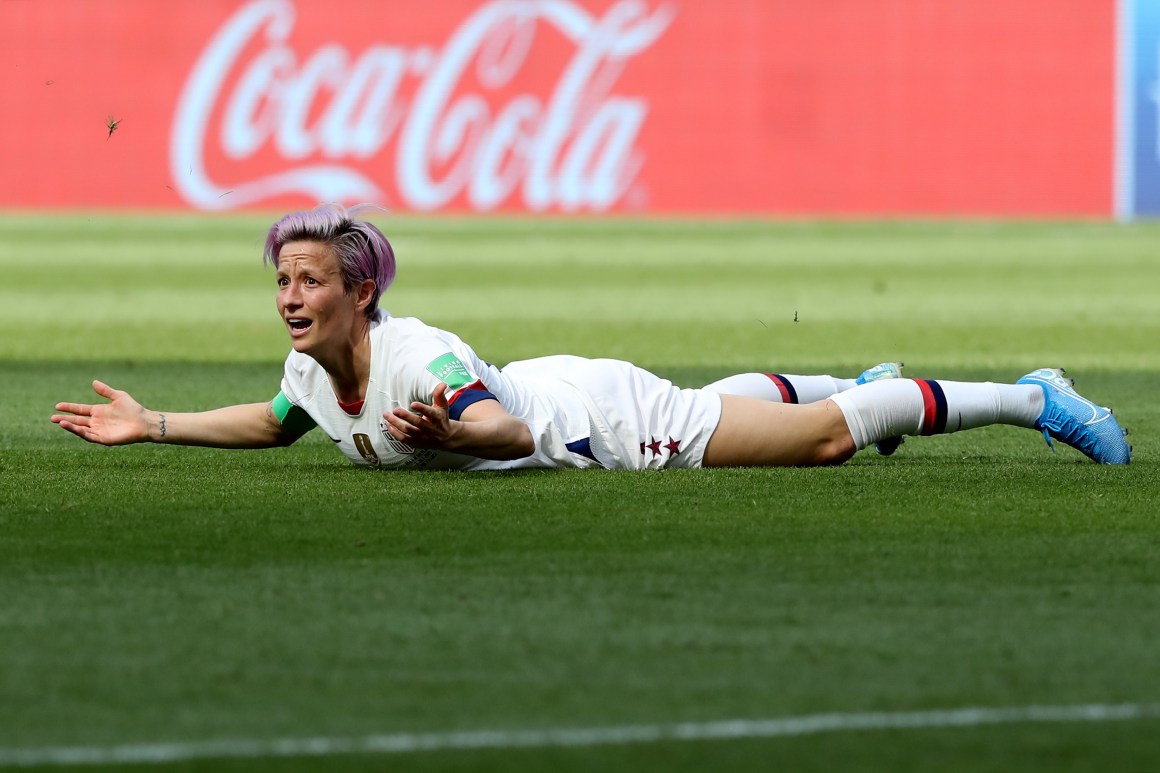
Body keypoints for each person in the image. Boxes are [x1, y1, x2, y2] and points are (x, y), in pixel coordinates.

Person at [51, 204, 1132, 469]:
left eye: (311, 280)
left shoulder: (417, 359)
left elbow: (510, 432)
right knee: (752, 408)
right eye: (282, 278)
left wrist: (453, 434)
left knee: (820, 443)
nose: (290, 295)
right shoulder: (313, 361)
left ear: (360, 293)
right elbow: (281, 420)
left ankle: (1030, 397)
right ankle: (850, 378)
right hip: (568, 386)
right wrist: (156, 423)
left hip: (590, 421)